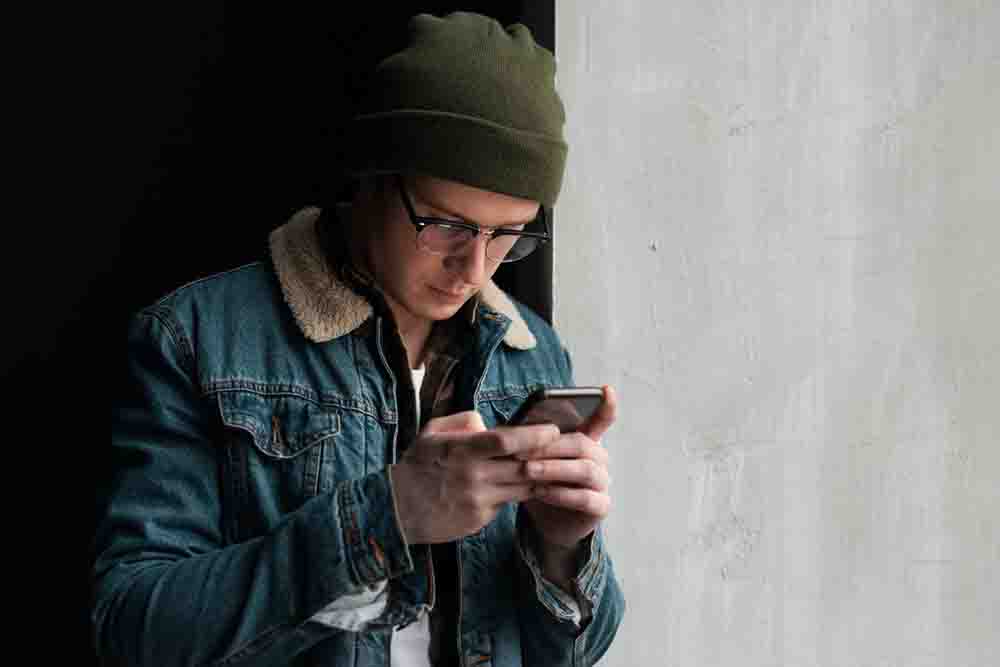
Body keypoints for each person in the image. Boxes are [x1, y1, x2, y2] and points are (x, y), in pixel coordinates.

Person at [93, 11, 625, 666]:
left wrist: (563, 549)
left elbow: (573, 653)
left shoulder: (531, 353)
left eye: (508, 234)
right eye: (446, 225)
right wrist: (387, 515)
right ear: (374, 175)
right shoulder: (198, 339)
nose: (474, 267)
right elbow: (133, 629)